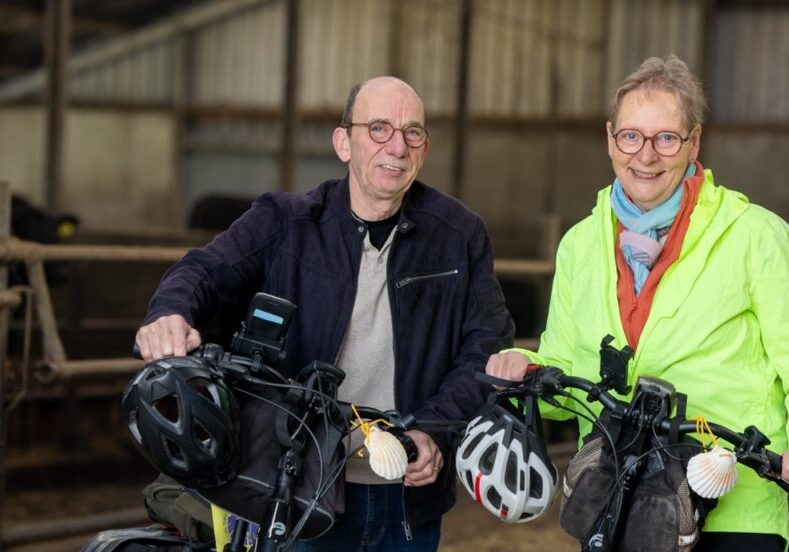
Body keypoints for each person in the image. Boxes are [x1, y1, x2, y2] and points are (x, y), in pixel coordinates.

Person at [136, 76, 514, 550]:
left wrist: (434, 429)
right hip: (299, 486)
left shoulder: (459, 234)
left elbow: (487, 343)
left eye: (411, 132)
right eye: (379, 128)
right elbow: (206, 269)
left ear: (424, 148)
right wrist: (170, 312)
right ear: (343, 142)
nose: (396, 146)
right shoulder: (285, 222)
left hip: (408, 494)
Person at [485, 55, 789, 551]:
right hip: (618, 496)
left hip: (739, 504)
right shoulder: (580, 245)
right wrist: (529, 365)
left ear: (693, 142)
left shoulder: (757, 236)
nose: (645, 155)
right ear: (610, 139)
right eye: (631, 136)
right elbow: (566, 365)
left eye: (666, 137)